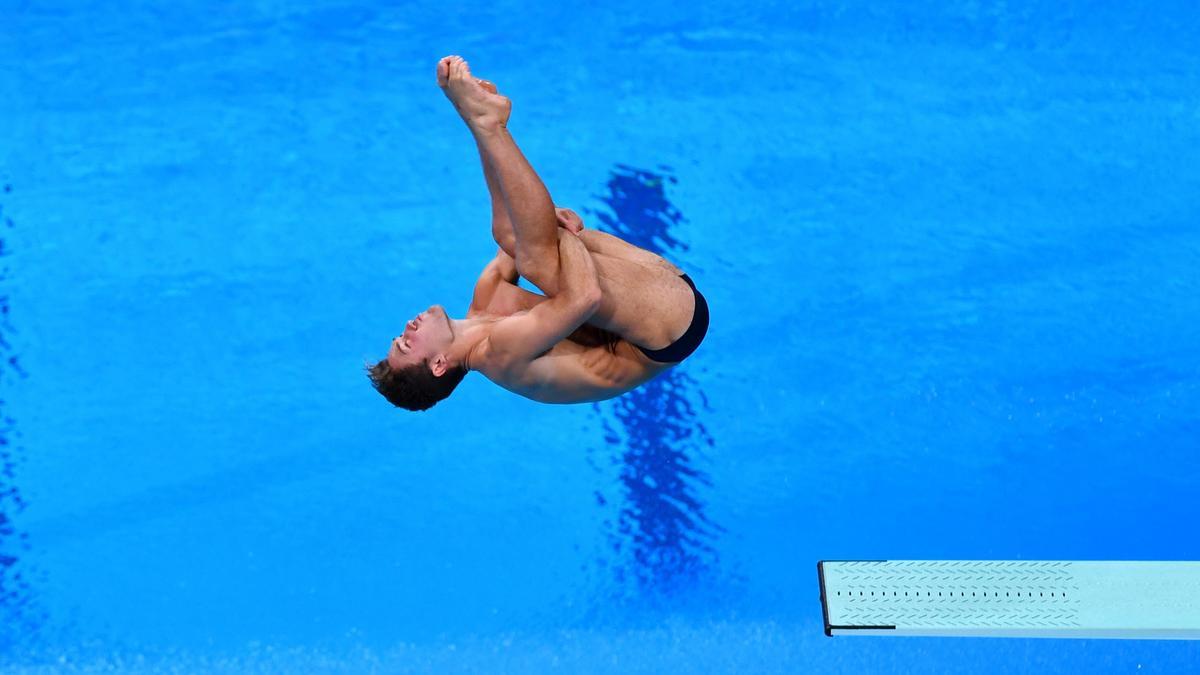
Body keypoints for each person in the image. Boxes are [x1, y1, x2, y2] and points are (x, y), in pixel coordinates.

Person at [367, 55, 709, 409]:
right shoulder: (500, 356)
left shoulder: (485, 303)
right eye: (408, 343)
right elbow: (584, 297)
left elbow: (515, 227)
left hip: (653, 289)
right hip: (667, 327)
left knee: (509, 239)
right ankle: (489, 123)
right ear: (439, 364)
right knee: (536, 260)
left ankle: (481, 122)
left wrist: (481, 137)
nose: (407, 327)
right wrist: (565, 234)